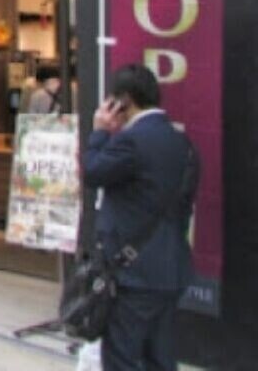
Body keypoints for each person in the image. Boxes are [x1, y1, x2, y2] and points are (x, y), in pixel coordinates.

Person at [83, 64, 199, 371]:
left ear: (123, 101)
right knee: (160, 358)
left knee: (121, 357)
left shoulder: (131, 141)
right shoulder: (183, 143)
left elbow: (92, 171)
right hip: (172, 267)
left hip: (133, 273)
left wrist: (99, 132)